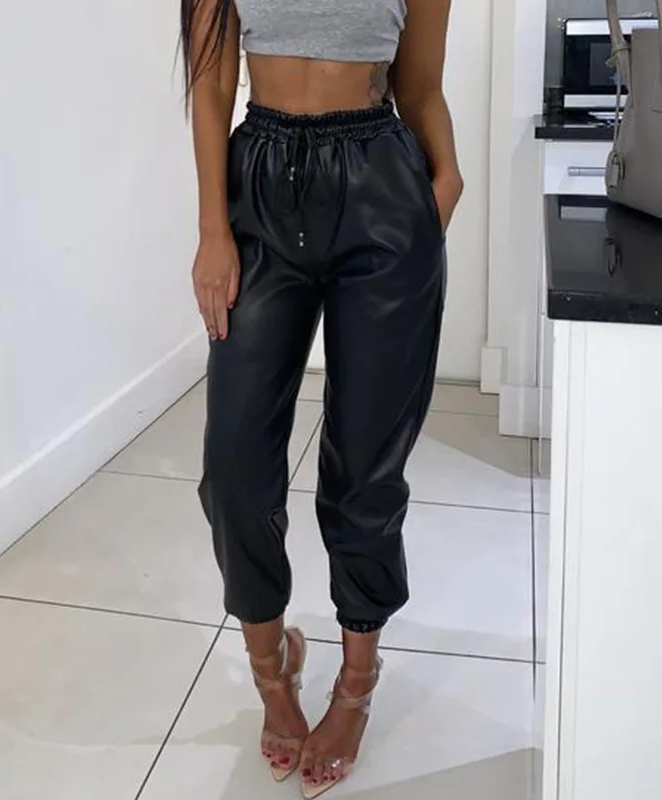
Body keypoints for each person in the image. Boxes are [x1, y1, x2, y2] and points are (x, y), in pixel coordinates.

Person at [181, 0, 462, 796]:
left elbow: (420, 88)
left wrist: (445, 181)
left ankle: (358, 680)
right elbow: (210, 85)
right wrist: (213, 230)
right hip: (261, 188)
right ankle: (273, 667)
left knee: (366, 468)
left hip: (381, 191)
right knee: (234, 471)